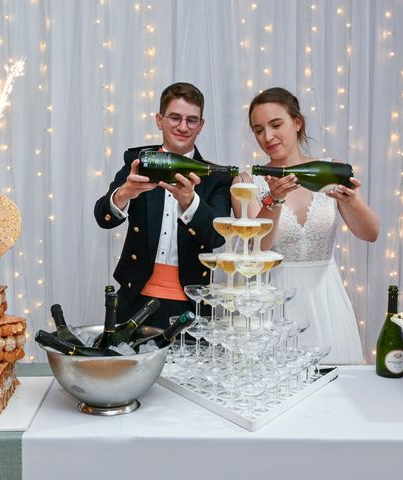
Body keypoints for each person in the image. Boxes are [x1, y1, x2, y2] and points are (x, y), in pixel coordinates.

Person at [234, 87, 379, 364]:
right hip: (273, 301)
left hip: (327, 299)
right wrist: (273, 200)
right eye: (258, 129)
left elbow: (370, 233)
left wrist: (351, 202)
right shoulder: (247, 181)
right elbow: (257, 249)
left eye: (276, 125)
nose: (267, 137)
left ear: (297, 123)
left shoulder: (330, 169)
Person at [94, 82, 233, 329]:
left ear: (201, 126)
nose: (183, 126)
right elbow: (104, 218)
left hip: (191, 304)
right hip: (135, 299)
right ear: (159, 120)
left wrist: (190, 202)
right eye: (175, 117)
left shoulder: (216, 177)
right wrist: (124, 193)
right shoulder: (139, 162)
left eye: (192, 120)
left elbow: (217, 238)